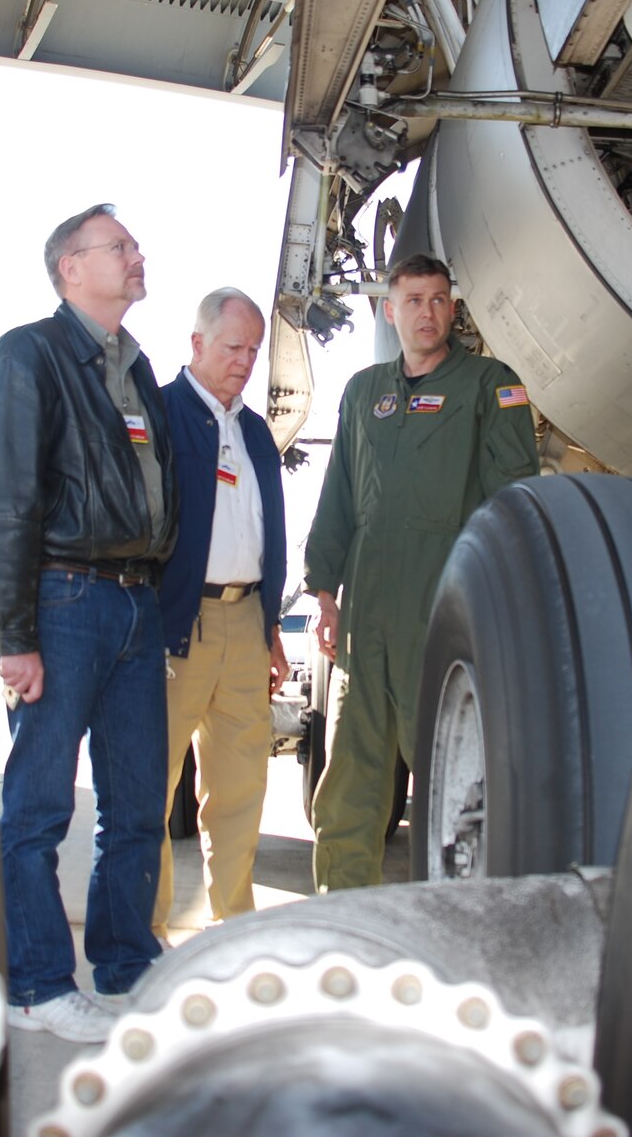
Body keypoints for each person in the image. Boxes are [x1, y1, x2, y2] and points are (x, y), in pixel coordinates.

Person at [0, 202, 175, 1042]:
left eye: (132, 244)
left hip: (134, 601)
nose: (136, 254)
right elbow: (2, 498)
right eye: (118, 246)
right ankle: (40, 983)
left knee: (135, 807)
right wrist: (14, 634)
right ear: (69, 268)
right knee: (39, 805)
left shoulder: (137, 366)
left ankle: (127, 964)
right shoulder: (29, 356)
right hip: (64, 603)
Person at [303, 253, 539, 891]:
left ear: (452, 309)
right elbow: (338, 500)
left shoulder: (491, 385)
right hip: (364, 622)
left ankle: (460, 919)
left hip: (442, 617)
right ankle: (344, 915)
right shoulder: (363, 391)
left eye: (438, 300)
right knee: (351, 779)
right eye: (413, 300)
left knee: (456, 783)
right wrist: (323, 592)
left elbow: (512, 503)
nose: (427, 313)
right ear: (390, 309)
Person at [153, 288, 290, 938]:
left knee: (240, 789)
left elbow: (269, 531)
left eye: (254, 349)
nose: (244, 360)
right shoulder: (159, 413)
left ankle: (233, 928)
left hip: (246, 623)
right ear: (197, 343)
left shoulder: (257, 431)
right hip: (177, 624)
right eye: (232, 346)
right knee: (148, 790)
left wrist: (269, 630)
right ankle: (144, 934)